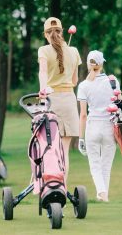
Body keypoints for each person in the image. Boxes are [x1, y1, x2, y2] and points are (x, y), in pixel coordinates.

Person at [37, 17, 82, 180]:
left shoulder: (43, 50)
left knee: (47, 148)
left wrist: (43, 88)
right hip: (69, 100)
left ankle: (46, 187)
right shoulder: (74, 51)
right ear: (61, 32)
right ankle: (62, 189)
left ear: (46, 34)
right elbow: (75, 81)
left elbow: (42, 72)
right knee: (64, 152)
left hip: (51, 101)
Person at [77, 50, 122, 202]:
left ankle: (102, 194)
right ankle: (104, 195)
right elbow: (120, 102)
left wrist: (80, 138)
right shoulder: (113, 80)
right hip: (109, 127)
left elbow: (83, 115)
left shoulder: (83, 85)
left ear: (89, 64)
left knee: (95, 166)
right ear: (102, 63)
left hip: (92, 128)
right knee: (106, 166)